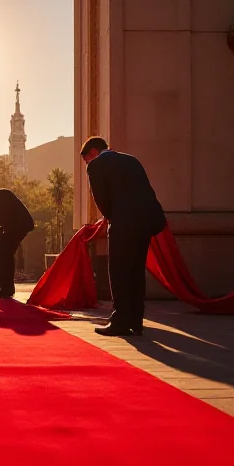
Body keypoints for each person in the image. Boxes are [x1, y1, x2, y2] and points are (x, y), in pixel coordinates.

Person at [81, 136, 166, 337]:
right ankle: (136, 321)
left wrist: (112, 217)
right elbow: (147, 192)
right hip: (144, 223)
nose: (88, 163)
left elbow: (101, 200)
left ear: (92, 153)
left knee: (119, 273)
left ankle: (120, 321)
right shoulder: (132, 160)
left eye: (87, 160)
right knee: (136, 272)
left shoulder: (96, 166)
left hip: (123, 224)